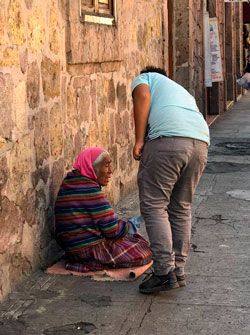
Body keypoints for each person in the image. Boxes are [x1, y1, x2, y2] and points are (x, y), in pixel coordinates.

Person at [131, 66, 209, 294]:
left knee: (154, 204)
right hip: (200, 143)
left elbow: (143, 95)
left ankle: (164, 272)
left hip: (168, 142)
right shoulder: (180, 91)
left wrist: (138, 140)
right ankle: (178, 271)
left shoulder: (146, 78)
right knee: (181, 207)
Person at [54, 147, 152, 273]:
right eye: (106, 166)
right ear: (91, 167)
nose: (110, 171)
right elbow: (112, 230)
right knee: (143, 248)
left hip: (70, 250)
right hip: (87, 251)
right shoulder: (91, 191)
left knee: (132, 239)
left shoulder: (69, 183)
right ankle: (93, 261)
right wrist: (127, 226)